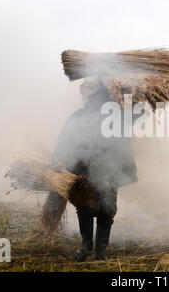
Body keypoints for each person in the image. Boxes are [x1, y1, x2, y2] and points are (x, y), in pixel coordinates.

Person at [51, 76, 138, 260]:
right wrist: (59, 159)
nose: (90, 99)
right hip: (85, 170)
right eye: (88, 96)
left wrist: (135, 95)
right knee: (85, 207)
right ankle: (86, 246)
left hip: (110, 169)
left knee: (107, 210)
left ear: (103, 95)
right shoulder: (78, 117)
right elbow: (65, 140)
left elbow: (137, 115)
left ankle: (101, 251)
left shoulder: (118, 114)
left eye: (95, 95)